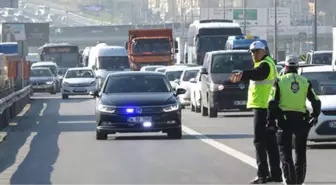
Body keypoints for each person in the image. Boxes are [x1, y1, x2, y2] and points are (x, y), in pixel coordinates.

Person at [230, 41, 282, 184]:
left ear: (264, 51)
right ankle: (276, 174)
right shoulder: (267, 63)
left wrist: (243, 74)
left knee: (259, 142)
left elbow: (259, 74)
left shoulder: (265, 65)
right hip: (268, 107)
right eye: (252, 52)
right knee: (270, 142)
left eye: (257, 51)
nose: (254, 54)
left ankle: (262, 175)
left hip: (263, 108)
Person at [267, 59, 321, 185]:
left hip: (284, 120)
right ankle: (299, 180)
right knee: (300, 152)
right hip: (301, 119)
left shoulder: (279, 81)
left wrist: (271, 120)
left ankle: (290, 180)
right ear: (297, 68)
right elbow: (316, 101)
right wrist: (315, 115)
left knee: (285, 151)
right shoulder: (304, 81)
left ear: (285, 67)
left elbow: (272, 102)